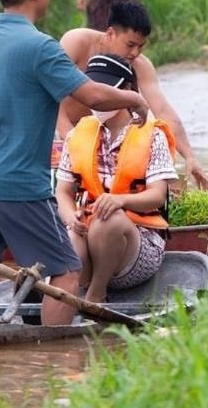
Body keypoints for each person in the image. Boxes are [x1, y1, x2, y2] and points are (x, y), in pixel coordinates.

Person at [0, 0, 148, 324]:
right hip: (16, 186)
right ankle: (52, 363)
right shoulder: (40, 47)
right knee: (66, 271)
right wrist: (134, 97)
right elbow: (91, 95)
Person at [56, 55, 178, 305]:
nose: (97, 98)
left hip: (136, 247)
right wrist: (71, 217)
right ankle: (72, 297)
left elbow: (157, 195)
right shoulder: (78, 133)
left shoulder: (152, 135)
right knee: (71, 234)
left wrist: (119, 201)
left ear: (127, 91)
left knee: (107, 218)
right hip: (90, 239)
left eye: (105, 90)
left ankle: (96, 294)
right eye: (93, 89)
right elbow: (63, 192)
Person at [59, 2, 208, 190]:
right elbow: (50, 91)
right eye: (130, 45)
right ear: (110, 34)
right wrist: (70, 138)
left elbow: (163, 110)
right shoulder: (77, 43)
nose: (135, 53)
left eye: (141, 46)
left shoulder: (140, 65)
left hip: (99, 137)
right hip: (62, 129)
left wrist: (190, 156)